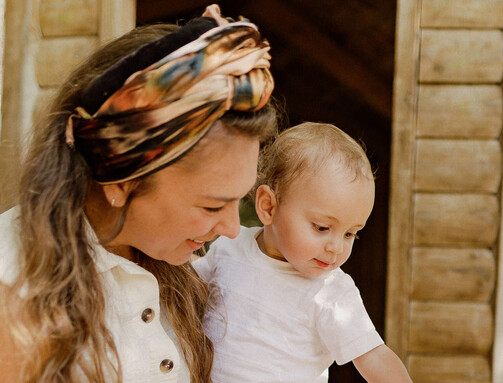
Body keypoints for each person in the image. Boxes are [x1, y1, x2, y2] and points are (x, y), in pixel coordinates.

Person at [0, 5, 276, 382]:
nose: (231, 228)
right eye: (212, 205)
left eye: (238, 201)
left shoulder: (188, 275)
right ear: (120, 181)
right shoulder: (12, 292)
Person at [193, 122, 413, 382]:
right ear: (268, 207)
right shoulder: (229, 247)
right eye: (322, 227)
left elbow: (374, 356)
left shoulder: (332, 292)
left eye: (350, 233)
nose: (336, 247)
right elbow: (186, 284)